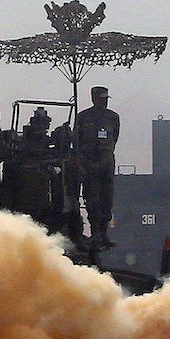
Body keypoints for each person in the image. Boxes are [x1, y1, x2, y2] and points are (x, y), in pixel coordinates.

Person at [75, 85, 119, 248]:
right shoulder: (83, 117)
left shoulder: (113, 118)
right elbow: (77, 142)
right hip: (90, 165)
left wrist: (105, 158)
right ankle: (95, 233)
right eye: (101, 99)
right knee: (92, 200)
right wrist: (85, 163)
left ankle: (104, 233)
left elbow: (114, 139)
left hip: (106, 164)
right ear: (94, 98)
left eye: (106, 99)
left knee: (107, 200)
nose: (104, 102)